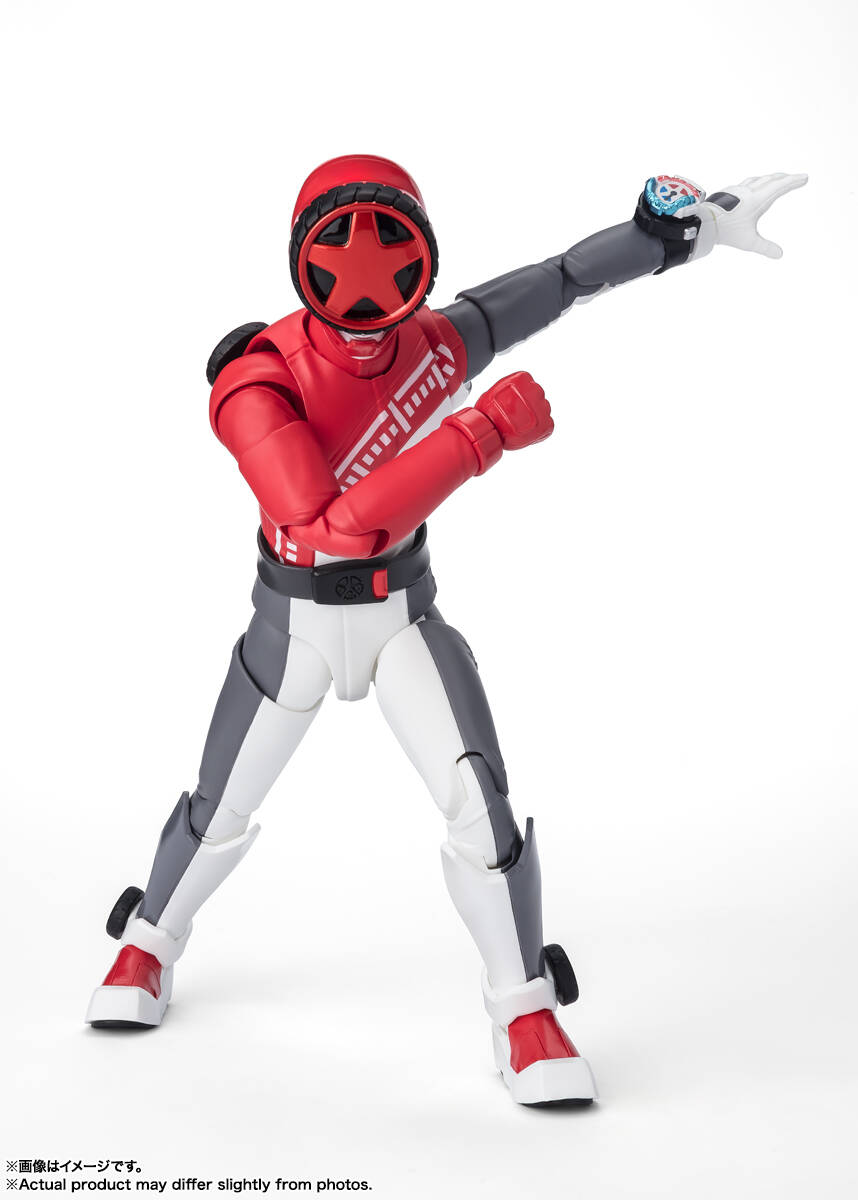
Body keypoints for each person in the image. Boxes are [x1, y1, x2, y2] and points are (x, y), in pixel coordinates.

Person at [86, 156, 806, 1105]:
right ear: (305, 255)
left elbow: (559, 281)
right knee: (219, 804)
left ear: (418, 249)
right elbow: (329, 527)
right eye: (344, 247)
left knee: (480, 805)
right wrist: (481, 435)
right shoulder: (258, 377)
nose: (366, 281)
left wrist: (674, 236)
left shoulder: (434, 345)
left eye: (388, 243)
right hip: (294, 625)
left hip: (402, 617)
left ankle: (525, 1007)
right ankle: (148, 943)